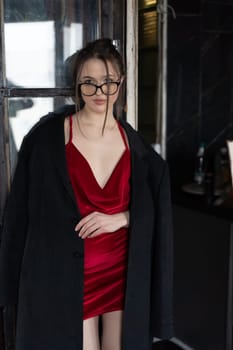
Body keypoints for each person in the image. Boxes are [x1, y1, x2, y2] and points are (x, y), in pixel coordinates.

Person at [0, 39, 173, 350]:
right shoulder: (47, 141)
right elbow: (21, 213)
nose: (99, 93)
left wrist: (122, 218)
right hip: (68, 279)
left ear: (120, 84)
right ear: (77, 86)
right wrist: (12, 284)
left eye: (108, 83)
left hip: (122, 273)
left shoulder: (136, 146)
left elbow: (158, 212)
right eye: (89, 84)